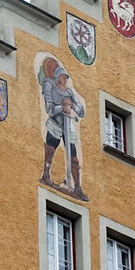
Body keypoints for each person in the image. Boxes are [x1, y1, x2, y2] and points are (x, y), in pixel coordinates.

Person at [40, 64, 88, 202]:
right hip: (55, 123)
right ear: (57, 77)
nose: (65, 80)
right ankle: (46, 175)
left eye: (66, 77)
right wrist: (62, 107)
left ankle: (77, 186)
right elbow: (49, 109)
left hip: (68, 125)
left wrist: (72, 105)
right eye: (63, 77)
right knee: (50, 150)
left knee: (74, 157)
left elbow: (81, 112)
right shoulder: (50, 86)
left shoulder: (69, 92)